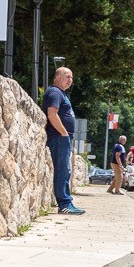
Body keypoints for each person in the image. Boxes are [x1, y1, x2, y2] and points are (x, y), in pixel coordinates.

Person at [43, 67, 84, 214]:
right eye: (67, 76)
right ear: (57, 77)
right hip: (59, 137)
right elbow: (52, 114)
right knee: (62, 170)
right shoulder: (55, 92)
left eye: (71, 78)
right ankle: (65, 205)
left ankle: (67, 202)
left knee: (65, 170)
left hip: (62, 137)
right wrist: (64, 134)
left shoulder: (61, 93)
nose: (70, 80)